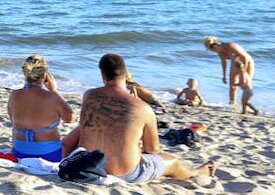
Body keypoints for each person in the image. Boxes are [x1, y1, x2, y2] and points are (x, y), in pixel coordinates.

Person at [59, 54, 216, 184]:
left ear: (102, 74)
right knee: (172, 161)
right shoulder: (142, 108)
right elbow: (152, 149)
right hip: (125, 172)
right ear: (126, 74)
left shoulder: (89, 96)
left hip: (88, 164)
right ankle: (196, 173)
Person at [8, 55, 73, 162]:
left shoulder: (14, 95)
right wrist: (54, 91)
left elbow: (12, 121)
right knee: (79, 130)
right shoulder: (52, 97)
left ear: (25, 74)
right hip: (49, 155)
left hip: (19, 152)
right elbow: (70, 119)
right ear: (45, 75)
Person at [204, 36, 258, 115]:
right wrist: (224, 76)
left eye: (213, 50)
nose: (214, 51)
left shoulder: (231, 45)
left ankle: (246, 103)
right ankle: (232, 104)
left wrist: (243, 71)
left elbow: (245, 57)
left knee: (246, 83)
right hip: (235, 64)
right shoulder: (220, 52)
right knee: (232, 85)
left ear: (216, 46)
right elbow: (223, 62)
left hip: (247, 62)